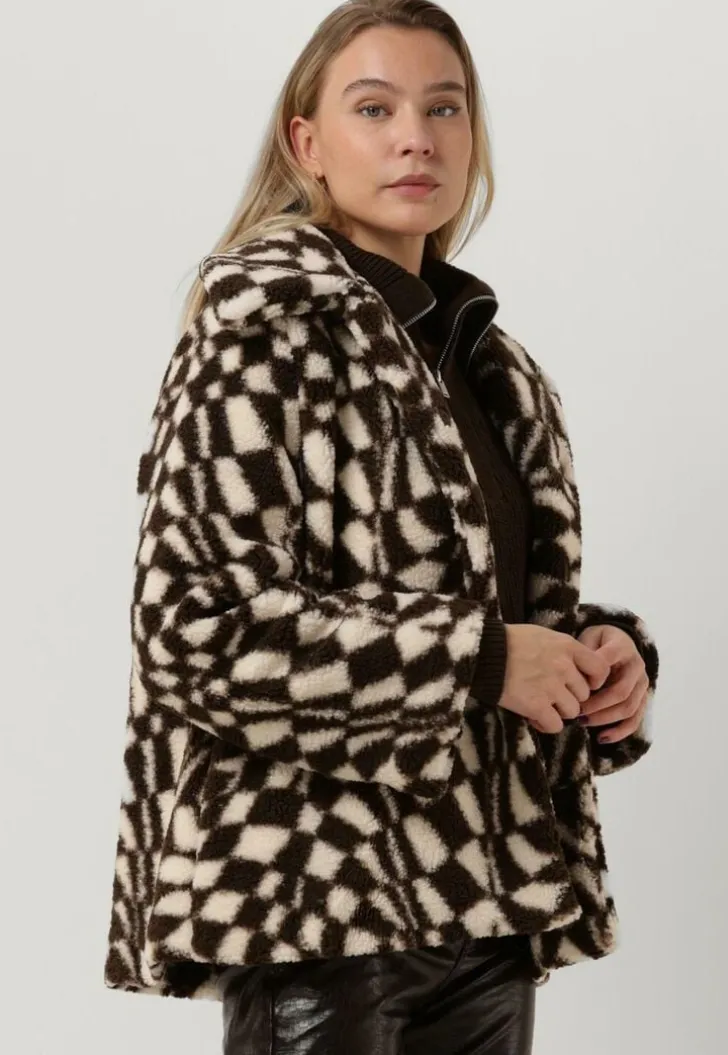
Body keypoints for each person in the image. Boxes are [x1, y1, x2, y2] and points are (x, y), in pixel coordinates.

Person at [103, 2, 660, 1052]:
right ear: (306, 143)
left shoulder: (493, 367)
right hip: (317, 903)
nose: (417, 137)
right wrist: (481, 659)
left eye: (445, 108)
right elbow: (193, 633)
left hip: (487, 899)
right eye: (375, 108)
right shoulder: (259, 335)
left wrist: (593, 658)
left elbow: (478, 606)